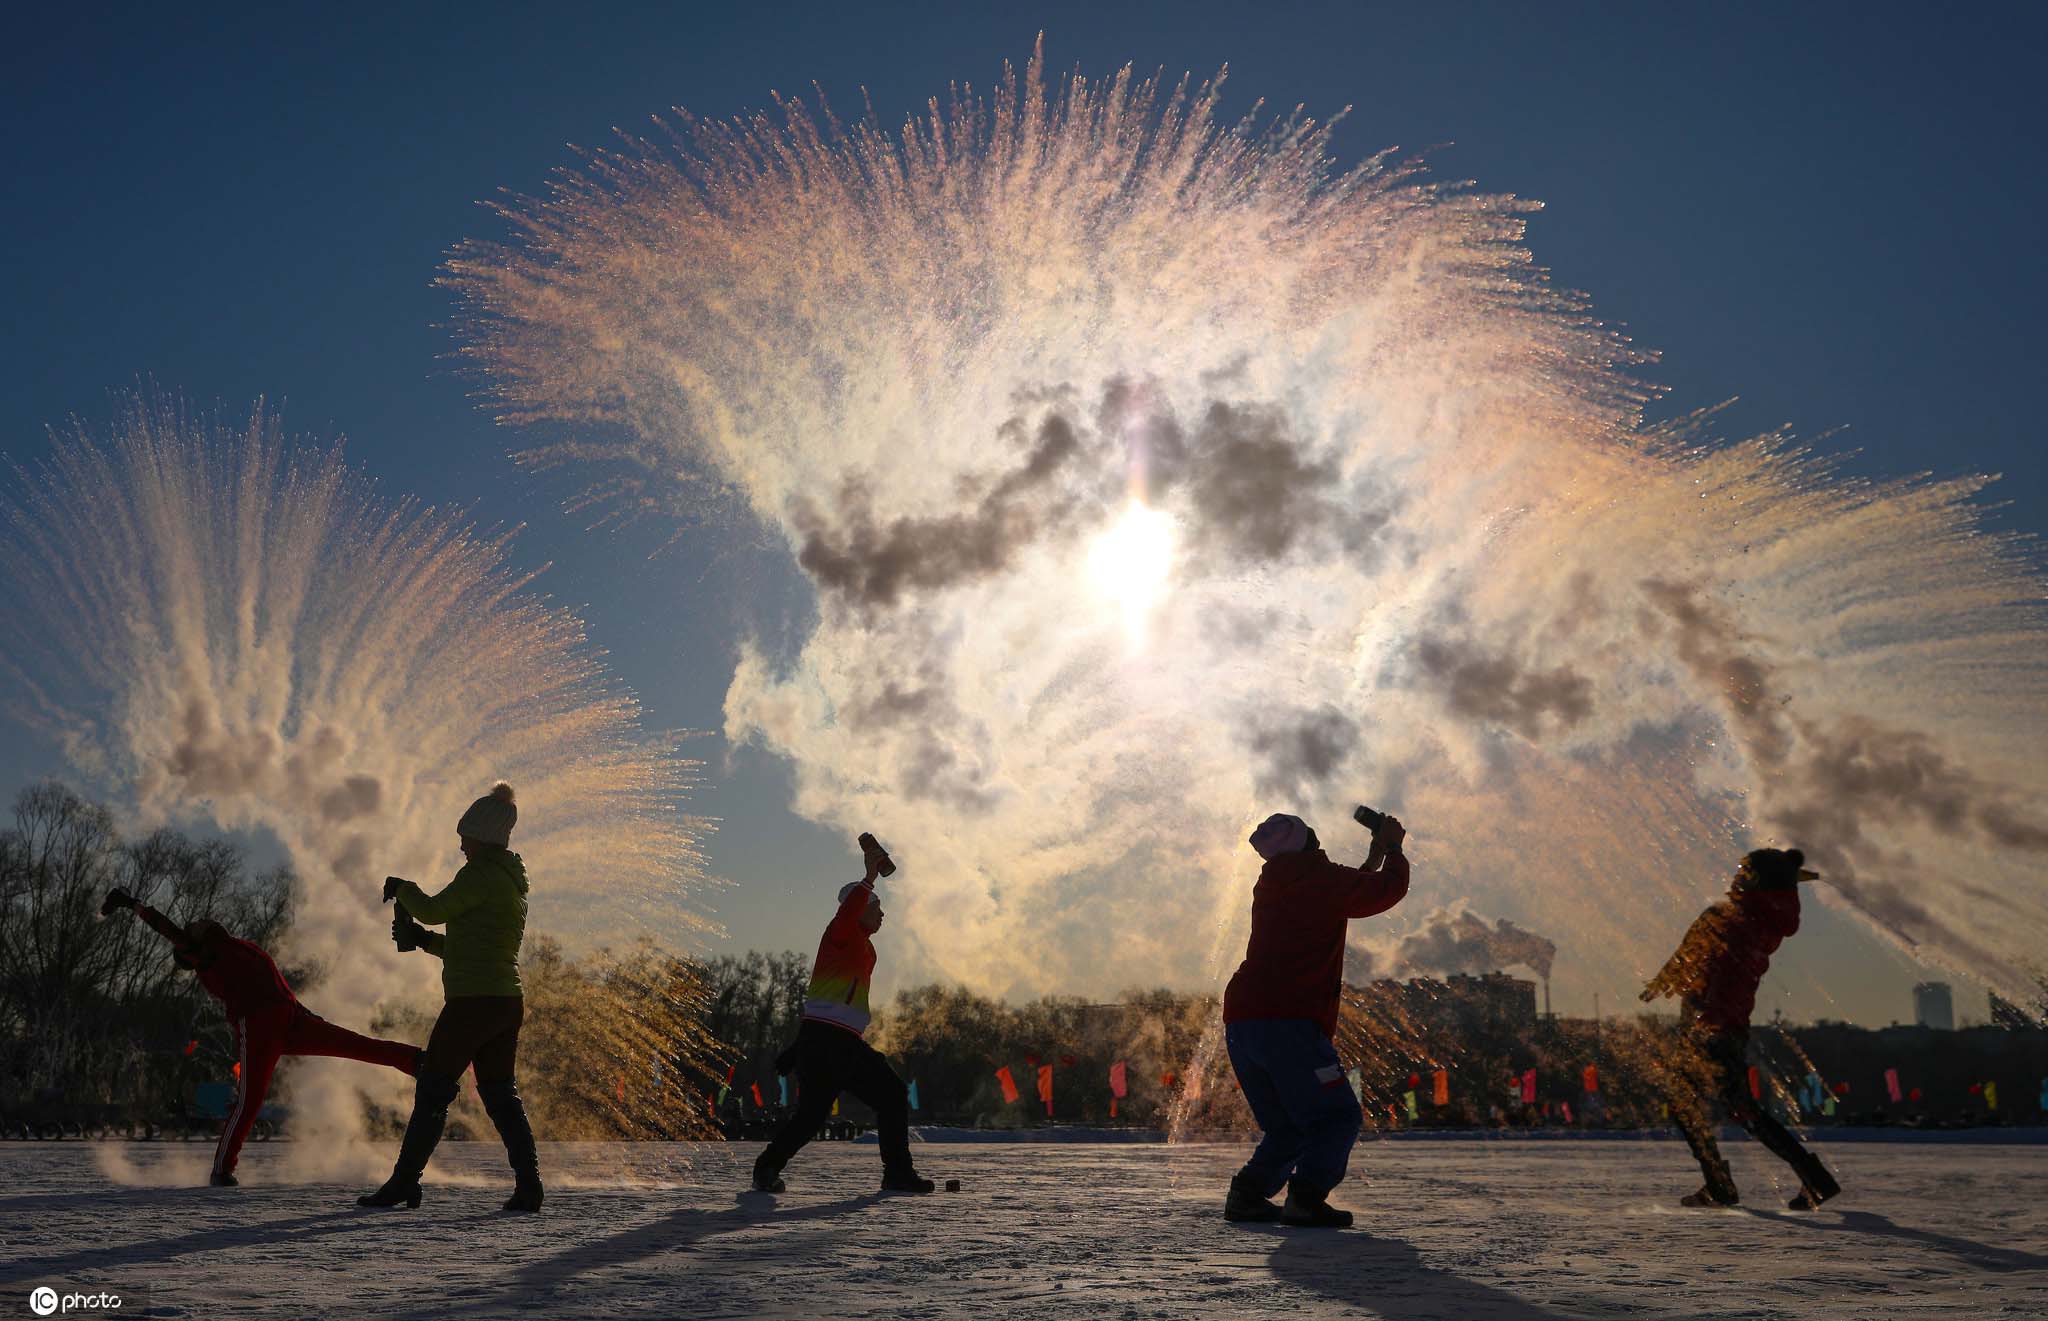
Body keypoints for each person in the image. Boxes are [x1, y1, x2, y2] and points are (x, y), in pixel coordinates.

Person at [99, 890, 421, 1187]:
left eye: (197, 921)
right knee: (249, 1101)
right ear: (192, 943)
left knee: (354, 1044)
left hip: (290, 1018)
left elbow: (278, 986)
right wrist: (131, 904)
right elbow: (166, 928)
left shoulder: (241, 946)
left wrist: (308, 1015)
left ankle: (416, 1061)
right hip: (257, 1026)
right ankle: (222, 1169)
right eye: (194, 924)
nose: (199, 920)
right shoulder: (203, 952)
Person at [1221, 810, 1410, 1228]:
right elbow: (1384, 890)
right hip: (1290, 1024)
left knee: (1287, 1125)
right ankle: (1305, 1199)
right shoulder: (1320, 878)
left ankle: (1248, 1195)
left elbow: (1344, 893)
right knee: (1337, 1116)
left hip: (1244, 1022)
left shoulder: (1273, 882)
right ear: (1309, 842)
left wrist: (1374, 855)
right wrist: (1394, 847)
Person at [358, 782, 540, 1212]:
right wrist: (423, 941)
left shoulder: (480, 873)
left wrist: (403, 888)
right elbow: (471, 946)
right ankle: (530, 1186)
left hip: (472, 1003)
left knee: (434, 1088)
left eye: (465, 836)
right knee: (500, 1094)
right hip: (505, 1002)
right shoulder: (511, 884)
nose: (461, 845)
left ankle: (404, 1181)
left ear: (481, 835)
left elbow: (433, 908)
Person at [1640, 847, 1841, 1210]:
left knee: (1688, 1104)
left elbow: (1693, 953)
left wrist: (1667, 978)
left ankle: (1722, 1184)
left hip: (1707, 1026)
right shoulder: (1764, 920)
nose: (1735, 876)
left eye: (1742, 871)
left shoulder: (1727, 916)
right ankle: (1812, 1178)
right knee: (1742, 1110)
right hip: (1730, 1026)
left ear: (1754, 879)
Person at [751, 840, 933, 1195]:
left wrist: (798, 1046)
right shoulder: (841, 933)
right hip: (828, 1044)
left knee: (873, 1101)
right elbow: (847, 914)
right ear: (861, 907)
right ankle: (895, 1173)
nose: (882, 914)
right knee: (847, 1107)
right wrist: (869, 876)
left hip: (838, 1042)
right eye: (876, 907)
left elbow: (827, 1006)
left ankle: (767, 1168)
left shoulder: (865, 947)